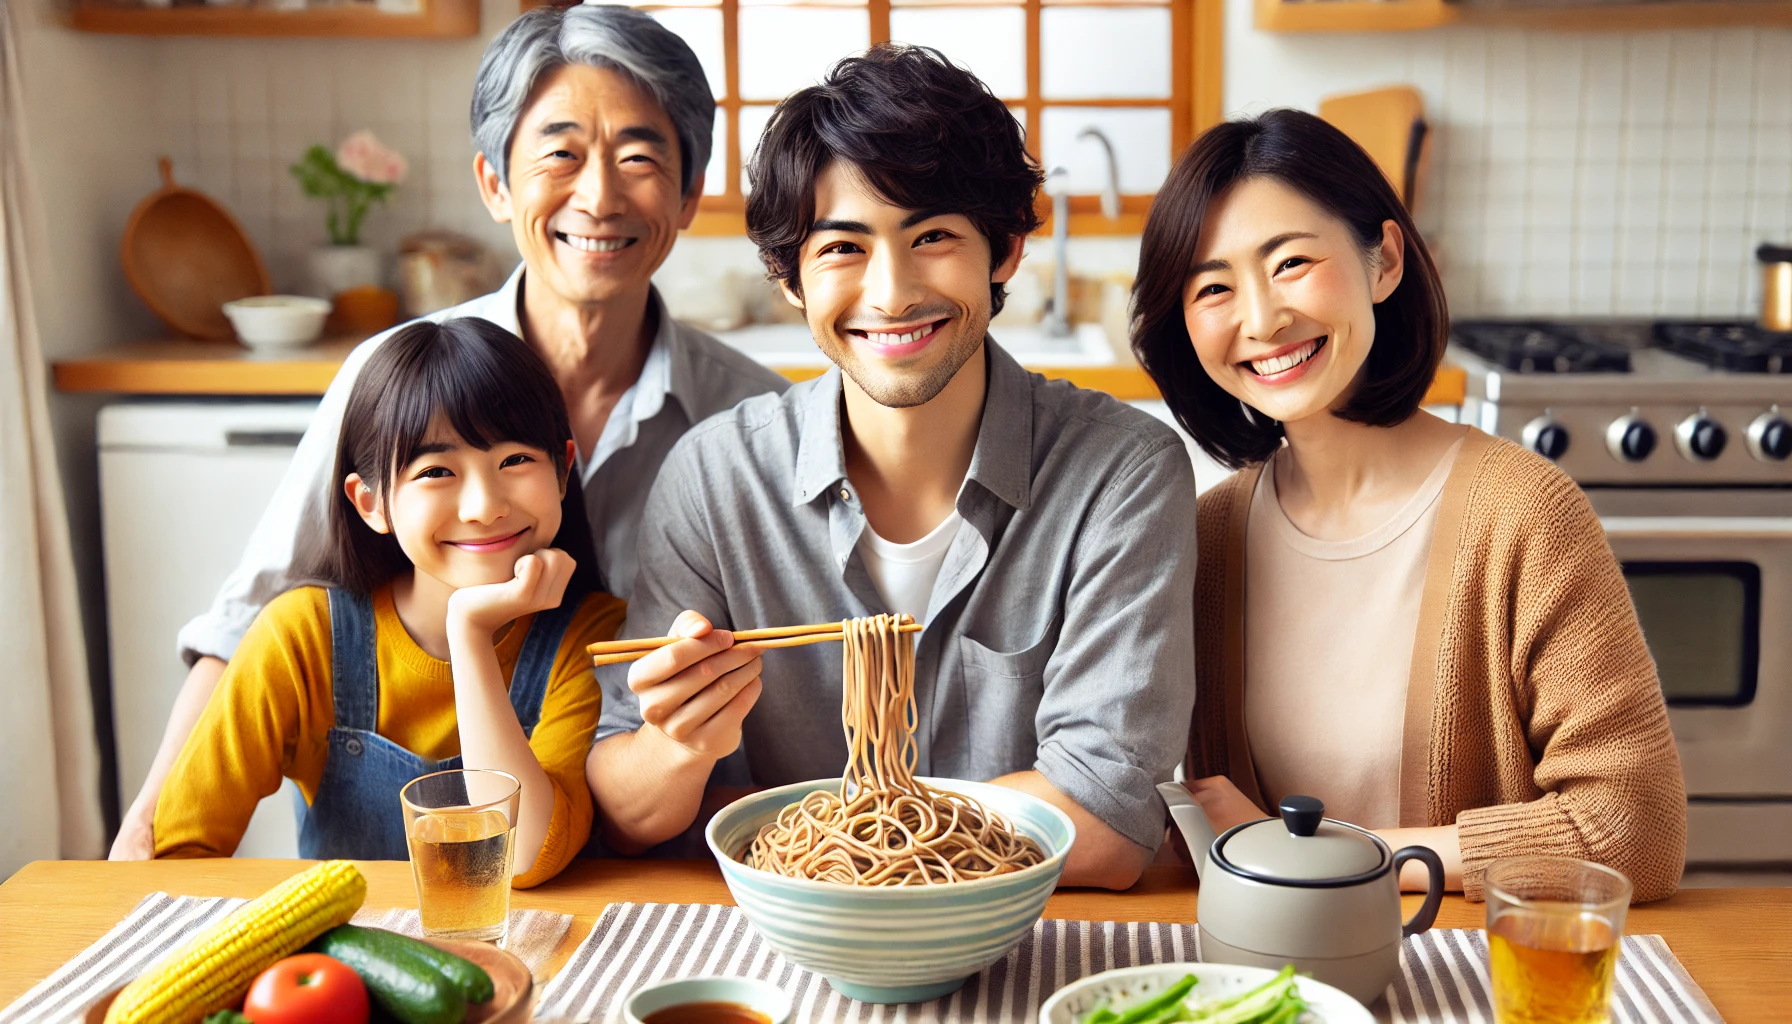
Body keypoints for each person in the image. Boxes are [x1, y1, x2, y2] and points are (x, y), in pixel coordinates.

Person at [110, 4, 787, 859]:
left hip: (668, 847)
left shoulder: (752, 419)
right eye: (561, 154)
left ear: (690, 194)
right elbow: (247, 626)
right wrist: (142, 837)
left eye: (641, 157)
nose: (601, 195)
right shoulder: (389, 375)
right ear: (495, 183)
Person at [585, 45, 1197, 890]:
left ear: (1007, 248)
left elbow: (1109, 822)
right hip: (783, 953)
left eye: (934, 235)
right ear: (788, 277)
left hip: (1027, 951)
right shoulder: (717, 477)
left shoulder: (1120, 474)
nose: (892, 292)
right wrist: (678, 743)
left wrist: (837, 846)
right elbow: (626, 811)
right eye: (843, 248)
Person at [1134, 109, 1686, 901]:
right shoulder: (1205, 537)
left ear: (1384, 260)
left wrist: (1330, 854)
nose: (1261, 320)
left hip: (1467, 978)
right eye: (1214, 286)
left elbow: (1636, 827)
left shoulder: (1524, 514)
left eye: (1290, 262)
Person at [155, 318, 620, 885]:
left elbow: (523, 858)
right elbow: (178, 851)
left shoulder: (595, 634)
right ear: (370, 502)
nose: (484, 505)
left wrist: (469, 634)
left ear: (564, 468)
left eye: (515, 461)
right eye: (436, 471)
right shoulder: (302, 633)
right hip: (344, 965)